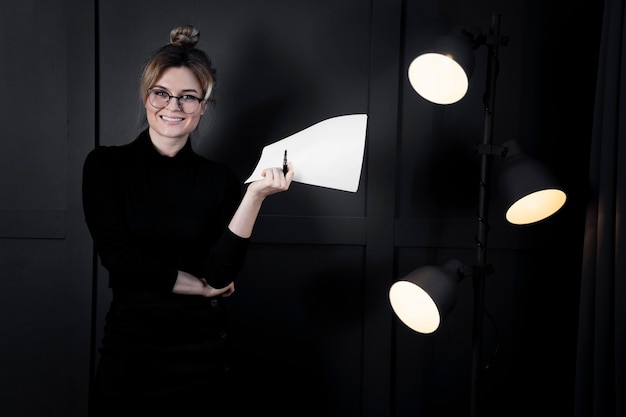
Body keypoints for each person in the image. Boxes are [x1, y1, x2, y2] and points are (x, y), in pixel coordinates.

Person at [82, 24, 294, 416]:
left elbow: (221, 271)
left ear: (204, 106)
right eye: (161, 93)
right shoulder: (106, 166)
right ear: (147, 96)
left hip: (202, 357)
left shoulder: (220, 180)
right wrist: (198, 288)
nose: (173, 106)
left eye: (188, 97)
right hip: (132, 355)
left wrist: (254, 197)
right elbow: (119, 258)